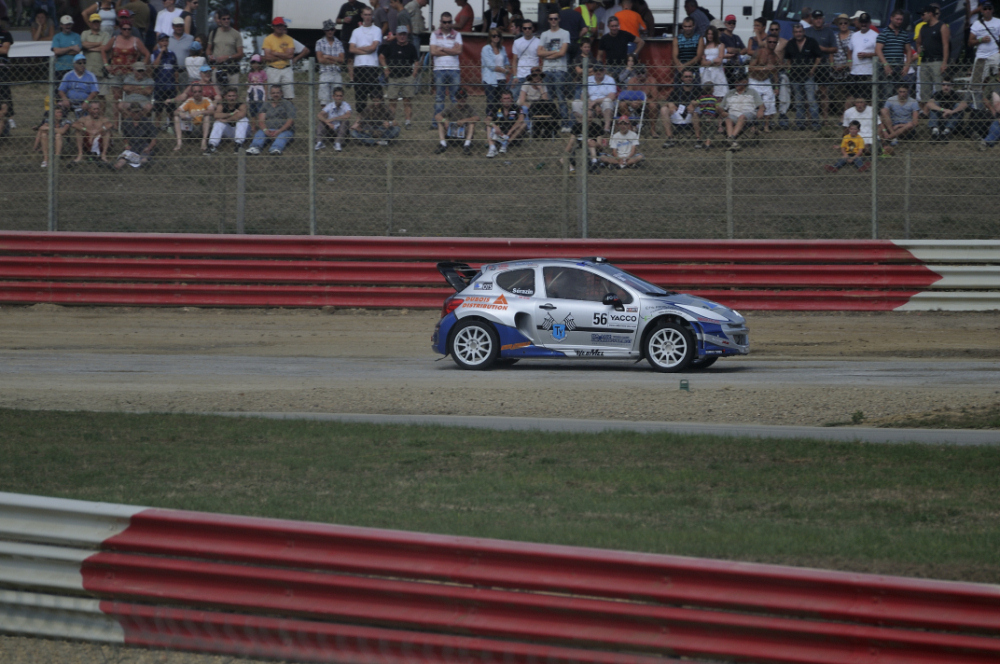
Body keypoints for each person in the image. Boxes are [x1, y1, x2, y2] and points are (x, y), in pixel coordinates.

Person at [102, 16, 149, 123]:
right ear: (120, 29)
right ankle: (116, 123)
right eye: (124, 29)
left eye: (129, 29)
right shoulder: (114, 39)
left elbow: (147, 54)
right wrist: (106, 64)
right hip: (116, 72)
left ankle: (128, 122)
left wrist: (141, 68)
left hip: (130, 74)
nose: (126, 31)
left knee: (129, 99)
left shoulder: (136, 41)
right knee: (116, 99)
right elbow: (104, 50)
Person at [379, 24, 419, 126]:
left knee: (407, 100)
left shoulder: (411, 47)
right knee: (392, 100)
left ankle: (408, 121)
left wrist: (414, 74)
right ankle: (391, 121)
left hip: (407, 77)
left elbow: (416, 61)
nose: (402, 36)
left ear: (407, 35)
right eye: (400, 34)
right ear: (396, 35)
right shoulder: (391, 46)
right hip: (393, 77)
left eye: (404, 34)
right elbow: (381, 57)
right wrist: (385, 68)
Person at [539, 9, 572, 131]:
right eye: (551, 19)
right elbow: (539, 52)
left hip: (560, 69)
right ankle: (552, 124)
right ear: (548, 20)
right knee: (549, 98)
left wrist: (547, 54)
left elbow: (563, 52)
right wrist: (555, 52)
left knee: (561, 97)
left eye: (555, 18)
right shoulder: (544, 34)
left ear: (559, 19)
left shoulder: (565, 33)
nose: (553, 21)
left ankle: (565, 123)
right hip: (546, 69)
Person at [784, 23, 821, 130]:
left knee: (811, 100)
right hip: (795, 77)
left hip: (808, 76)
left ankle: (815, 124)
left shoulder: (811, 42)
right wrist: (789, 70)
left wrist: (813, 69)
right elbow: (788, 59)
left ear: (804, 32)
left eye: (800, 31)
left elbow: (819, 57)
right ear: (793, 33)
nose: (798, 34)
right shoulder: (790, 44)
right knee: (798, 102)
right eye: (796, 32)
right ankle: (800, 123)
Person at [429, 11, 462, 125]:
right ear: (441, 22)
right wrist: (451, 50)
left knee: (455, 98)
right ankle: (437, 122)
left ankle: (455, 121)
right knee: (439, 98)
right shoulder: (434, 34)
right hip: (439, 69)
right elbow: (433, 52)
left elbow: (459, 51)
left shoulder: (457, 34)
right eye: (444, 22)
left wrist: (442, 49)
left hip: (454, 68)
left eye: (449, 22)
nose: (447, 24)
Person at [804, 10, 836, 119]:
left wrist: (823, 49)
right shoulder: (806, 31)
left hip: (823, 64)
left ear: (823, 19)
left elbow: (834, 49)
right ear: (812, 20)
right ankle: (808, 118)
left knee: (823, 92)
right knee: (809, 92)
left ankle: (825, 118)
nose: (818, 20)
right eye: (816, 18)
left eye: (820, 18)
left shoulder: (829, 32)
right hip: (809, 64)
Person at [658, 67, 701, 147]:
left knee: (696, 111)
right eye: (686, 77)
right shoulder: (677, 90)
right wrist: (670, 104)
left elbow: (704, 102)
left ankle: (698, 139)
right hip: (678, 115)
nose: (688, 79)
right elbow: (667, 102)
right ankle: (670, 138)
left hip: (691, 115)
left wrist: (695, 104)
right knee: (664, 109)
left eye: (690, 76)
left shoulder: (698, 90)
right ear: (682, 78)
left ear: (693, 78)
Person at [246, 85, 294, 154]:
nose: (275, 95)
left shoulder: (288, 104)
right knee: (260, 133)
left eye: (277, 93)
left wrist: (279, 131)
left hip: (284, 130)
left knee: (282, 137)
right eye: (273, 93)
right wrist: (265, 130)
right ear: (270, 94)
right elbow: (261, 121)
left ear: (281, 93)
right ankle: (255, 148)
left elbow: (290, 121)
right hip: (268, 129)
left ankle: (275, 149)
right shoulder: (266, 104)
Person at [720, 74, 764, 150]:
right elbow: (721, 107)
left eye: (738, 81)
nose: (736, 83)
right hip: (733, 115)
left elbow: (761, 105)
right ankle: (733, 143)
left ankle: (731, 138)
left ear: (745, 82)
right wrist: (721, 112)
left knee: (742, 117)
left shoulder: (752, 92)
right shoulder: (729, 93)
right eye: (735, 81)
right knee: (728, 119)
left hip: (748, 114)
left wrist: (761, 110)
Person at [875, 10, 913, 96]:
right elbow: (878, 49)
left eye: (901, 19)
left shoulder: (904, 34)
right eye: (897, 19)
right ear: (891, 18)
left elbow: (909, 50)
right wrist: (885, 64)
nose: (899, 21)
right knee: (887, 93)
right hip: (887, 67)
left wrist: (907, 65)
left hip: (899, 67)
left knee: (898, 92)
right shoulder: (884, 33)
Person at [572, 60, 615, 131]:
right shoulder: (589, 79)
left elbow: (612, 96)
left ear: (604, 71)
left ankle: (606, 128)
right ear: (593, 71)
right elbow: (583, 95)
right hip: (590, 104)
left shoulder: (610, 79)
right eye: (596, 70)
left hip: (603, 105)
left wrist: (596, 102)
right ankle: (581, 126)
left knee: (607, 101)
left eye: (600, 70)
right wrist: (590, 105)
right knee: (576, 103)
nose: (598, 72)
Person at [434, 86, 479, 153]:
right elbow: (437, 116)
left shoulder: (469, 107)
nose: (462, 100)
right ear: (456, 98)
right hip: (451, 131)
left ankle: (467, 145)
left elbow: (477, 118)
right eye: (460, 98)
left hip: (464, 132)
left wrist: (464, 120)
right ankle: (443, 144)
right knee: (440, 122)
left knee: (472, 123)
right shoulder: (452, 107)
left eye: (464, 98)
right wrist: (445, 121)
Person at [748, 35, 779, 131]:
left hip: (765, 80)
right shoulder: (759, 52)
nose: (772, 44)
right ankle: (753, 126)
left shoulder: (775, 57)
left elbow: (775, 73)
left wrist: (776, 87)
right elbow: (750, 68)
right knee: (753, 103)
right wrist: (764, 68)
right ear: (766, 42)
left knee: (769, 102)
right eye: (770, 42)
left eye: (774, 42)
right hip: (754, 80)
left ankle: (766, 125)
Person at [113, 102, 158, 168]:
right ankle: (115, 167)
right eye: (134, 112)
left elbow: (154, 139)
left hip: (144, 146)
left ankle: (143, 168)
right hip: (132, 146)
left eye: (138, 112)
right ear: (130, 112)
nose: (137, 114)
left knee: (144, 161)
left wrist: (149, 148)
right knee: (121, 160)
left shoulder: (147, 122)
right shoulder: (126, 122)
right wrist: (126, 145)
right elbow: (125, 136)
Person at [205, 86, 246, 153]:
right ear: (225, 97)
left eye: (233, 96)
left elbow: (241, 115)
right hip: (229, 131)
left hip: (242, 132)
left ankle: (238, 144)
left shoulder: (241, 105)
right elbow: (216, 115)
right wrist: (231, 114)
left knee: (243, 119)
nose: (231, 98)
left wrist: (227, 120)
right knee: (218, 122)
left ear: (237, 96)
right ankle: (212, 145)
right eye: (229, 96)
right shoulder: (222, 105)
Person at [206, 9, 241, 86]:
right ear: (220, 20)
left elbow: (240, 54)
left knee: (232, 91)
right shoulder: (213, 33)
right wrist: (210, 56)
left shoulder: (236, 34)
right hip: (217, 67)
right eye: (224, 19)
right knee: (217, 92)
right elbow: (208, 49)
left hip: (232, 68)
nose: (226, 21)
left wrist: (227, 57)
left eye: (228, 18)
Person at [848, 13, 877, 104]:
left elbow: (879, 53)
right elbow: (849, 50)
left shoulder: (875, 35)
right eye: (862, 22)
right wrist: (849, 61)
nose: (863, 24)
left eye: (866, 22)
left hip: (868, 73)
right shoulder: (854, 35)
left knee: (867, 99)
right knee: (852, 98)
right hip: (854, 72)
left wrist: (867, 55)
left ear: (869, 23)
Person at [172, 82, 212, 150]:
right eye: (195, 92)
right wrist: (180, 113)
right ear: (192, 93)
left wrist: (200, 112)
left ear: (202, 92)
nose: (197, 94)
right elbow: (175, 112)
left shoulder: (206, 100)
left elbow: (212, 111)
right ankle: (179, 143)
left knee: (207, 116)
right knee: (176, 117)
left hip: (202, 127)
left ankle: (204, 142)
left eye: (199, 91)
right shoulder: (189, 101)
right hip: (192, 127)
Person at [263, 16, 295, 99]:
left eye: (281, 25)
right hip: (272, 68)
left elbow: (290, 55)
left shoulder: (289, 39)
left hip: (286, 68)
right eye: (277, 25)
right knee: (272, 95)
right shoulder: (268, 39)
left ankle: (288, 107)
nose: (280, 27)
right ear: (273, 27)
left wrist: (275, 53)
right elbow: (267, 57)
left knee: (289, 95)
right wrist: (284, 55)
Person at [481, 27, 510, 120]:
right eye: (494, 36)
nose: (496, 37)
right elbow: (490, 65)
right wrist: (504, 71)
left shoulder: (502, 48)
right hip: (490, 79)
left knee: (500, 102)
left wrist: (507, 67)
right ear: (490, 37)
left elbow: (506, 61)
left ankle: (499, 121)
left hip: (501, 79)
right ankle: (489, 122)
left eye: (498, 36)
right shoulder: (486, 49)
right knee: (491, 102)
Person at [486, 89, 525, 156]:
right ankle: (492, 148)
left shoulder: (517, 107)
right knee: (488, 125)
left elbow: (521, 119)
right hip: (499, 132)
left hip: (512, 133)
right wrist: (494, 126)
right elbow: (487, 119)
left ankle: (506, 143)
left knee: (523, 124)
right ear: (501, 100)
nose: (506, 100)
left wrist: (510, 132)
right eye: (504, 98)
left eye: (508, 98)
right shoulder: (496, 107)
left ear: (512, 99)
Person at [969, 1, 999, 89]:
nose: (987, 10)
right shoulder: (976, 24)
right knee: (976, 83)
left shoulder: (998, 22)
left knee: (996, 77)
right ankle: (980, 96)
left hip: (995, 54)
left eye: (989, 8)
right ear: (981, 10)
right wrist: (981, 40)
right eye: (985, 9)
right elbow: (970, 42)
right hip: (981, 56)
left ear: (992, 10)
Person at [316, 19, 346, 105]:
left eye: (332, 29)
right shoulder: (319, 42)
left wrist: (328, 57)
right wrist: (335, 60)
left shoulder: (339, 43)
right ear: (324, 31)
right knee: (324, 101)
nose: (330, 31)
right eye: (327, 29)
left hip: (336, 73)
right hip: (324, 72)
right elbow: (320, 59)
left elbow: (342, 60)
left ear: (334, 30)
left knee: (337, 101)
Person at [150, 32, 177, 127]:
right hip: (160, 85)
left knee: (171, 108)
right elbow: (155, 66)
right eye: (162, 41)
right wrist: (161, 52)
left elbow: (175, 69)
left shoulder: (172, 54)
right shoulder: (155, 53)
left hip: (170, 85)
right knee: (158, 109)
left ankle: (171, 126)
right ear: (158, 42)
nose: (165, 43)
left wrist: (176, 83)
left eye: (166, 41)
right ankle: (157, 126)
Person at [80, 13, 109, 94]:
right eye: (94, 22)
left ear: (100, 23)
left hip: (100, 69)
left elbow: (104, 48)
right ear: (89, 23)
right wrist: (98, 43)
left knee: (101, 95)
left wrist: (89, 48)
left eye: (97, 22)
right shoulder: (85, 33)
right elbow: (83, 45)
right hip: (87, 69)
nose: (96, 24)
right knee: (87, 94)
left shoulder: (105, 34)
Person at [510, 19, 539, 99]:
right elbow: (514, 61)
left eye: (529, 28)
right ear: (522, 29)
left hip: (533, 76)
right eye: (525, 28)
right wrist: (515, 76)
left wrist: (539, 75)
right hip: (520, 75)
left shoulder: (538, 42)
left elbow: (542, 60)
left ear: (533, 28)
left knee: (533, 98)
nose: (527, 30)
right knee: (514, 97)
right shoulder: (517, 42)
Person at [316, 85, 351, 151]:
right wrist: (327, 122)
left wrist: (333, 119)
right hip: (331, 129)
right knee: (321, 122)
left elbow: (348, 115)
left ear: (343, 97)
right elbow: (319, 115)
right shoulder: (330, 105)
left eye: (340, 96)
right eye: (337, 96)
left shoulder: (345, 105)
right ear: (333, 96)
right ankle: (319, 142)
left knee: (346, 121)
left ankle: (338, 143)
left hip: (341, 130)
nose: (339, 98)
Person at [830, 13, 852, 110]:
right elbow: (831, 52)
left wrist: (846, 64)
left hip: (849, 70)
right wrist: (832, 64)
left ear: (848, 24)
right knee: (838, 94)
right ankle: (841, 113)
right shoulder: (834, 37)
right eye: (841, 23)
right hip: (837, 70)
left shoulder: (853, 35)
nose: (843, 25)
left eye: (845, 23)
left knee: (850, 93)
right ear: (838, 25)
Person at [699, 25, 726, 97]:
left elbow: (719, 62)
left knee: (719, 93)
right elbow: (702, 63)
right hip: (707, 73)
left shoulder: (720, 45)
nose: (710, 36)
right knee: (707, 93)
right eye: (708, 34)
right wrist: (713, 61)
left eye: (712, 34)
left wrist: (707, 62)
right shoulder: (704, 46)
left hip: (717, 72)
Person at [167, 15, 193, 85]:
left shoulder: (190, 38)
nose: (179, 28)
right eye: (177, 26)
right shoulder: (167, 39)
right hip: (170, 72)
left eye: (181, 26)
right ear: (173, 26)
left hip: (184, 72)